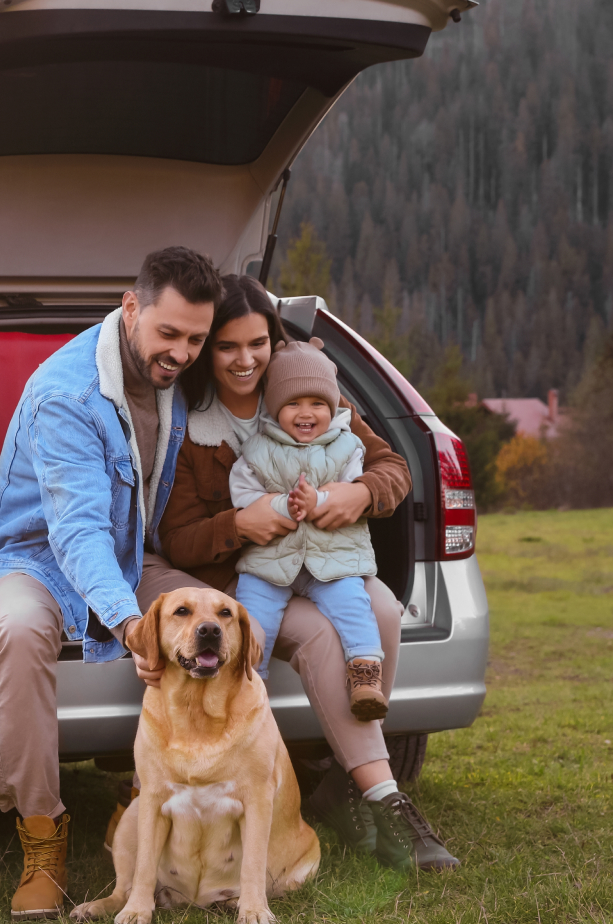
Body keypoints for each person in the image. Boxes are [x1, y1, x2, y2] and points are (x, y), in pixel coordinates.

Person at [149, 274, 457, 871]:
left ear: (275, 339)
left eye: (257, 343)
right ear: (206, 348)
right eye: (226, 346)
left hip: (326, 560)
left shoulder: (310, 395)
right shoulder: (190, 425)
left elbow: (394, 466)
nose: (245, 360)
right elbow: (176, 539)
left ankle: (341, 787)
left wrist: (362, 494)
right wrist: (240, 525)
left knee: (385, 609)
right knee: (320, 633)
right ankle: (382, 798)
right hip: (245, 578)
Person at [0, 246, 223, 919]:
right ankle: (41, 837)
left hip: (127, 549)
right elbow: (75, 532)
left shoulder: (179, 377)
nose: (180, 352)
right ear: (130, 308)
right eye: (168, 333)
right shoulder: (68, 394)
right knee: (23, 633)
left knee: (213, 615)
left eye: (196, 339)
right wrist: (129, 621)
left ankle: (192, 805)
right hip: (36, 554)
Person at [228, 337, 388, 722]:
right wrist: (280, 505)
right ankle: (248, 687)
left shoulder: (347, 446)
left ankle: (365, 673)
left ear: (332, 407)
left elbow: (353, 488)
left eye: (317, 403)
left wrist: (321, 502)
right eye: (293, 403)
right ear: (274, 407)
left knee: (353, 605)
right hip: (272, 559)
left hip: (332, 556)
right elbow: (242, 493)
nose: (306, 413)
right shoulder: (257, 448)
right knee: (253, 616)